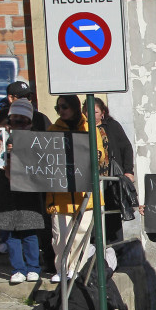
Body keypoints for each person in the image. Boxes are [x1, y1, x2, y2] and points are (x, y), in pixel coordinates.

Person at [45, 95, 106, 283]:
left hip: (84, 194)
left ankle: (75, 270)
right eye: (58, 108)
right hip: (60, 194)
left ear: (75, 107)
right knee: (60, 236)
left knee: (81, 234)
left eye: (64, 107)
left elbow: (100, 155)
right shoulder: (53, 130)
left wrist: (93, 156)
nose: (61, 111)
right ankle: (62, 269)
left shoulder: (90, 129)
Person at [0, 101, 44, 284]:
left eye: (23, 122)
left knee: (29, 231)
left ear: (30, 123)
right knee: (11, 233)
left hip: (28, 191)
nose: (18, 125)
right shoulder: (0, 138)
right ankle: (18, 268)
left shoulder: (37, 138)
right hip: (7, 191)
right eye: (14, 121)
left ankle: (33, 267)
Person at [84, 99, 135, 246]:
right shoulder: (82, 127)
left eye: (95, 112)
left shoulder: (112, 126)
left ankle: (115, 251)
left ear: (103, 113)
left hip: (110, 179)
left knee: (112, 215)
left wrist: (128, 171)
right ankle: (94, 252)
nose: (91, 115)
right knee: (92, 217)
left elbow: (126, 147)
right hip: (90, 180)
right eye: (88, 111)